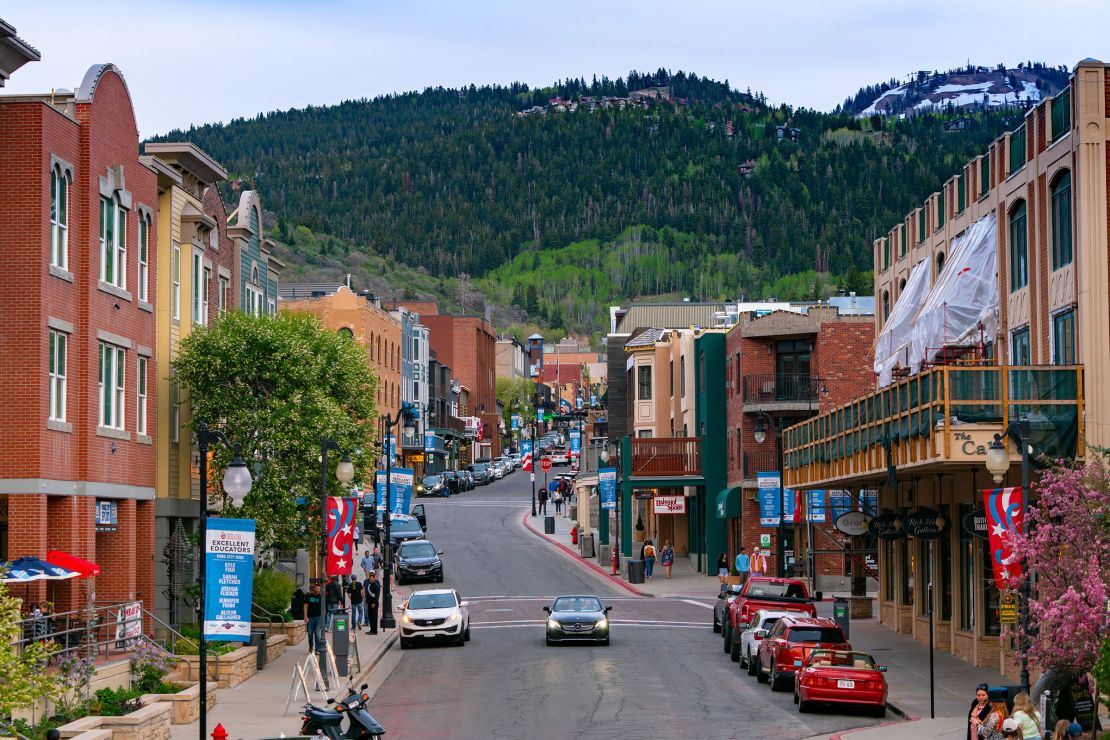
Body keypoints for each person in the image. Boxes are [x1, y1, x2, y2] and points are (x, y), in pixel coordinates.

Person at [304, 583, 323, 653]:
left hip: (318, 618)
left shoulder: (321, 597)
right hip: (310, 618)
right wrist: (305, 616)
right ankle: (311, 647)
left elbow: (323, 608)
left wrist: (323, 618)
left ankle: (317, 649)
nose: (317, 590)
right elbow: (305, 606)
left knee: (318, 635)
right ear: (314, 588)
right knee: (310, 634)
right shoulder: (308, 596)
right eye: (316, 588)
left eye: (319, 589)